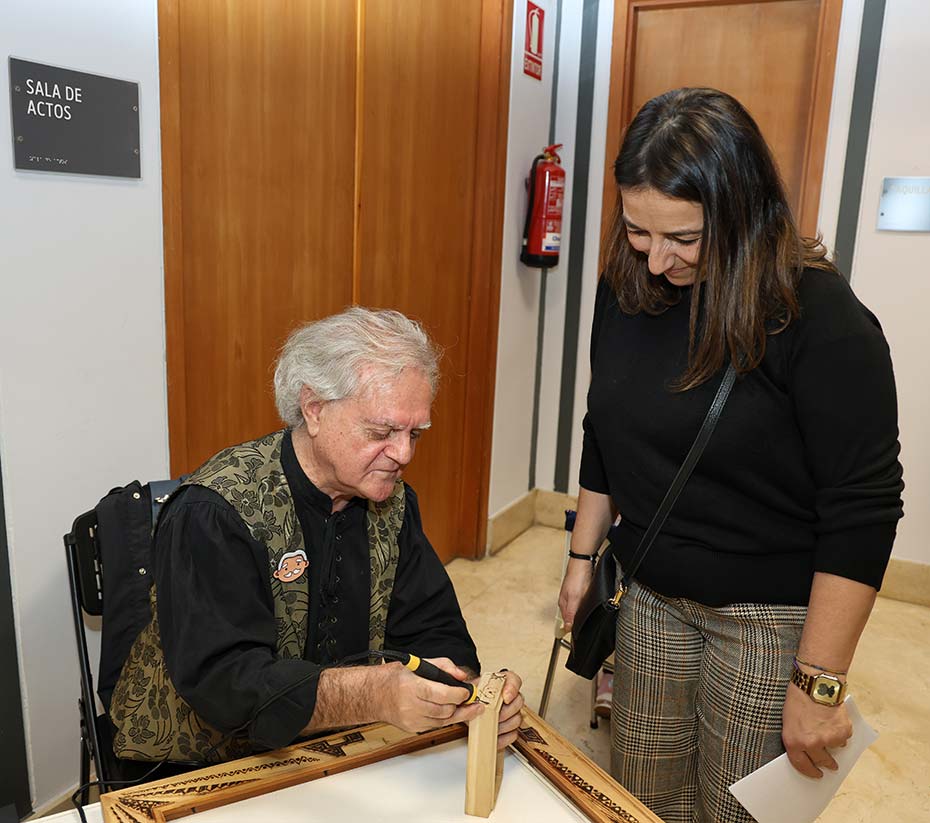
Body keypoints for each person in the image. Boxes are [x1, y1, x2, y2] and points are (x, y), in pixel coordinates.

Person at [558, 88, 903, 823]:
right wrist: (581, 558)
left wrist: (820, 684)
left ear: (743, 209)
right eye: (637, 230)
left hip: (766, 616)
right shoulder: (625, 287)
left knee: (740, 811)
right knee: (642, 799)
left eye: (682, 237)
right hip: (650, 595)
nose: (655, 260)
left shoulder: (822, 319)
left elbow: (863, 510)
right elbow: (605, 425)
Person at [110, 307, 524, 763]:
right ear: (314, 409)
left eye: (415, 434)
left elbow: (434, 629)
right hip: (201, 764)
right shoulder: (214, 513)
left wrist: (461, 692)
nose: (403, 453)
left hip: (335, 750)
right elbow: (228, 686)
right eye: (382, 431)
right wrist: (373, 695)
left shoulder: (392, 503)